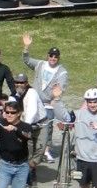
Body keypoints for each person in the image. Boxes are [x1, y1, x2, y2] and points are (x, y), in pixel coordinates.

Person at [21, 32, 68, 163]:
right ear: (48, 56)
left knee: (47, 126)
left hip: (48, 103)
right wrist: (26, 47)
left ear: (58, 58)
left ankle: (46, 151)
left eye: (56, 56)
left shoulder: (62, 71)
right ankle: (31, 148)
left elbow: (61, 87)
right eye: (51, 56)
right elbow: (27, 60)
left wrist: (55, 97)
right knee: (31, 122)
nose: (53, 58)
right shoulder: (41, 64)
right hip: (35, 100)